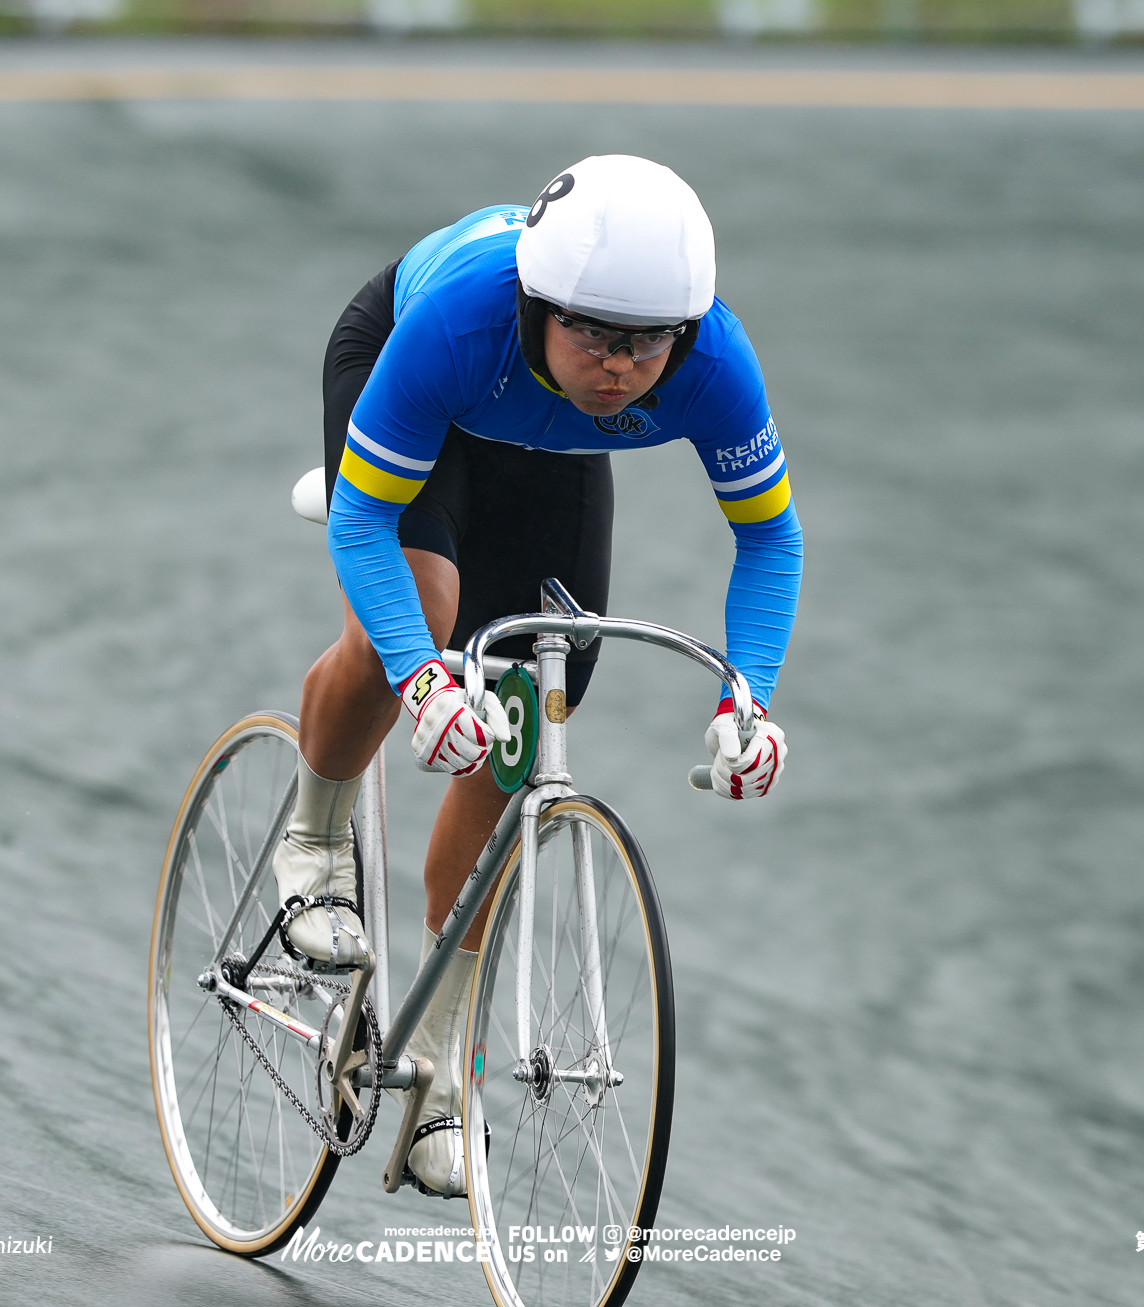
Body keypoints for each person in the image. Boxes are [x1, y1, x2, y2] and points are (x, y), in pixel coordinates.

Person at [273, 154, 802, 1197]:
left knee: (527, 709)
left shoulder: (711, 361)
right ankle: (312, 834)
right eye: (597, 335)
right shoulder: (465, 320)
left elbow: (770, 542)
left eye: (648, 343)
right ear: (538, 303)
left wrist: (748, 695)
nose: (621, 366)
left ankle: (439, 1062)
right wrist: (423, 678)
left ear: (685, 333)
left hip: (547, 441)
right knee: (415, 629)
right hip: (424, 382)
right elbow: (364, 519)